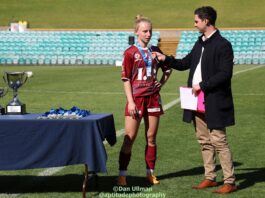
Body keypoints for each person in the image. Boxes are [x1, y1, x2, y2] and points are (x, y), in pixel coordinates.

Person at [154, 6, 237, 194]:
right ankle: (210, 177)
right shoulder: (199, 42)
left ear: (206, 21)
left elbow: (225, 74)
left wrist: (203, 85)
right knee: (203, 140)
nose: (194, 24)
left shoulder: (223, 45)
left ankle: (230, 181)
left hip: (214, 99)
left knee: (219, 140)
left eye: (196, 21)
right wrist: (164, 58)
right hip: (196, 100)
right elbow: (184, 63)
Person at [117, 15, 172, 186]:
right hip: (137, 100)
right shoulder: (130, 53)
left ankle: (150, 173)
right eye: (145, 31)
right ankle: (122, 175)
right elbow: (126, 79)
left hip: (153, 99)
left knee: (151, 137)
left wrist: (160, 84)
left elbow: (168, 70)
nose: (148, 34)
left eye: (150, 31)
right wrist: (131, 102)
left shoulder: (155, 51)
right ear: (137, 32)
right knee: (130, 137)